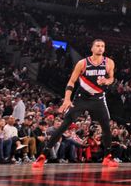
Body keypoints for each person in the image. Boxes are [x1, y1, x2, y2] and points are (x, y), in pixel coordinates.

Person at [33, 39, 118, 168]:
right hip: (81, 98)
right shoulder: (82, 63)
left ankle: (108, 157)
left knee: (106, 127)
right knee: (64, 125)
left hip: (99, 99)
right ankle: (42, 156)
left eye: (102, 46)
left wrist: (107, 81)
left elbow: (111, 78)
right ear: (92, 48)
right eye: (98, 46)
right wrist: (67, 99)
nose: (100, 48)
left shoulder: (109, 62)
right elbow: (71, 82)